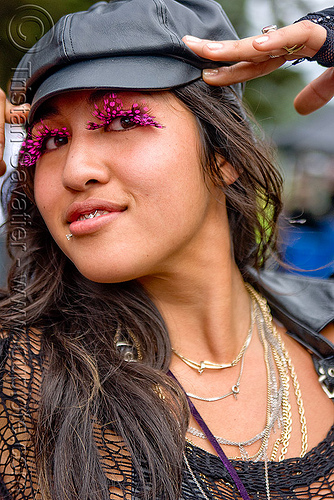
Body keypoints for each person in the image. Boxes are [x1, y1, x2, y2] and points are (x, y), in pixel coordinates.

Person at [0, 1, 333, 499]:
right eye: (49, 141)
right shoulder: (22, 376)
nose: (74, 171)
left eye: (120, 122)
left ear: (222, 155)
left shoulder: (323, 326)